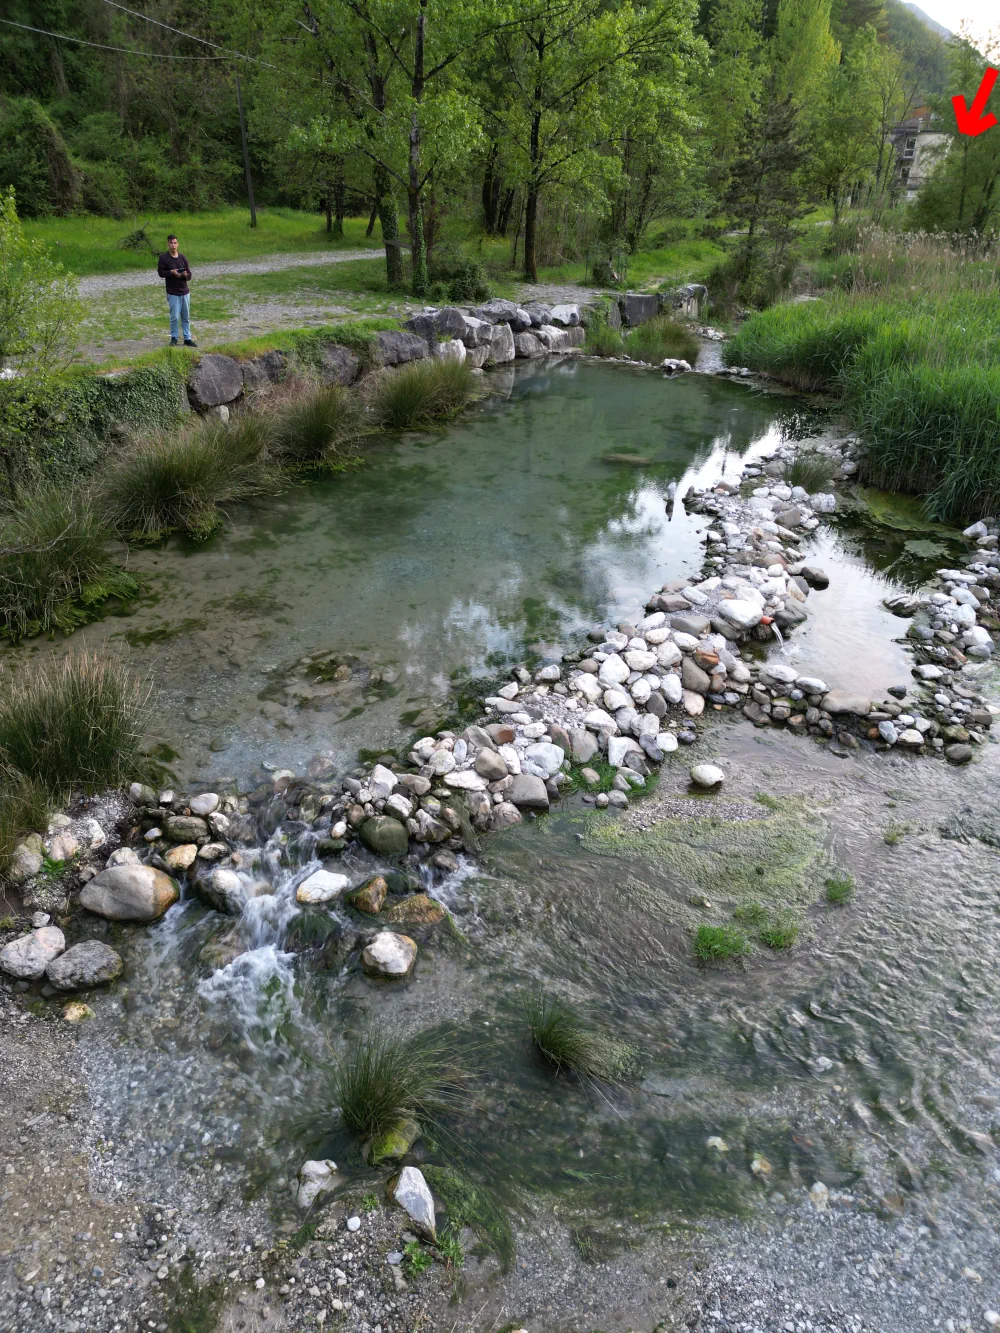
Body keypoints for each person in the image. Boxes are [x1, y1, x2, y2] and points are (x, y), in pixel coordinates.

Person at [157, 234, 197, 347]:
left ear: (178, 244)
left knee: (186, 317)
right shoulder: (164, 258)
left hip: (184, 291)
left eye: (175, 243)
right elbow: (160, 273)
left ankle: (187, 338)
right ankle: (174, 338)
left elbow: (189, 275)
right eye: (171, 243)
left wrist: (184, 275)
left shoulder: (183, 258)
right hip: (172, 292)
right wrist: (171, 272)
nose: (173, 245)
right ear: (168, 244)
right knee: (174, 316)